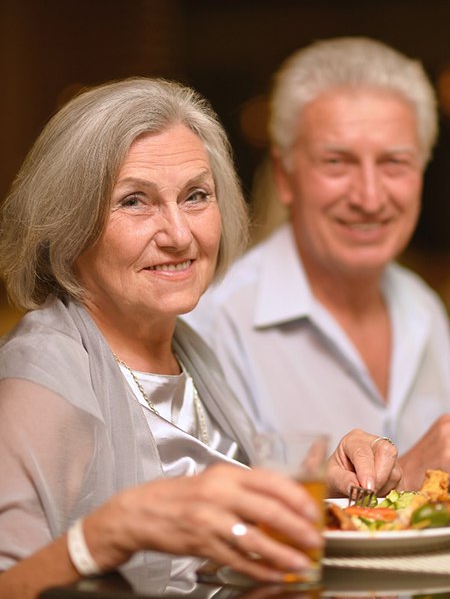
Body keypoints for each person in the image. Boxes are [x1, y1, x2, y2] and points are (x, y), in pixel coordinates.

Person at [0, 77, 401, 599]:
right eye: (135, 202)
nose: (179, 234)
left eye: (195, 196)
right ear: (69, 224)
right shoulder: (41, 381)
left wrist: (314, 481)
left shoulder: (188, 349)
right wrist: (102, 537)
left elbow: (205, 535)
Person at [185, 37, 450, 491]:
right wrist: (410, 478)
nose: (369, 197)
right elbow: (204, 543)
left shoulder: (423, 306)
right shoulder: (215, 323)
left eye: (394, 163)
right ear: (285, 177)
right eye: (336, 162)